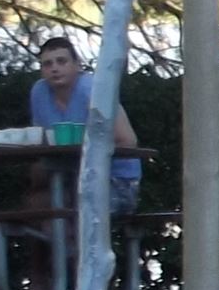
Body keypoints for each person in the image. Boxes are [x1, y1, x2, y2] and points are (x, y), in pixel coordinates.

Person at [29, 35, 143, 215]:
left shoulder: (93, 90)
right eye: (47, 64)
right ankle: (61, 242)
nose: (55, 69)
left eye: (61, 61)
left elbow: (128, 141)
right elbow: (40, 141)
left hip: (116, 181)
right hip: (69, 178)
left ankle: (71, 241)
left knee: (74, 211)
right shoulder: (39, 92)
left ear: (77, 64)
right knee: (34, 206)